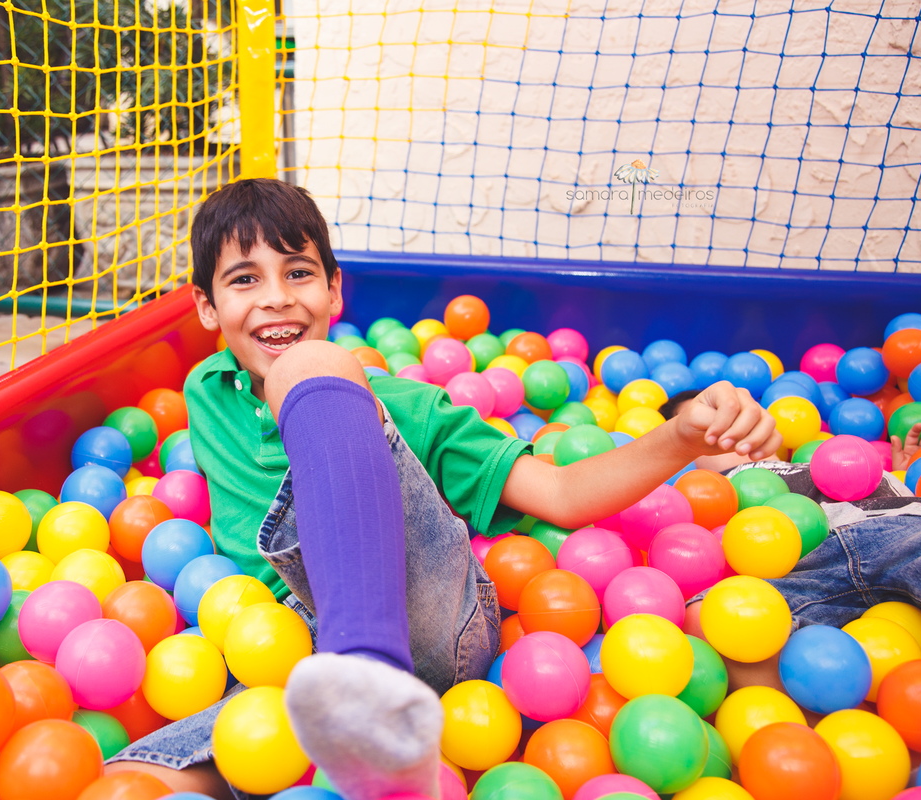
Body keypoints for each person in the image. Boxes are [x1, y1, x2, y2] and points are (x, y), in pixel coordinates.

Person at [105, 178, 781, 800]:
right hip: (273, 656)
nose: (278, 296)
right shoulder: (207, 389)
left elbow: (565, 494)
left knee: (313, 367)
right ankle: (355, 711)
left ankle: (365, 670)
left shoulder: (413, 406)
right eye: (245, 279)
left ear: (335, 292)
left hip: (421, 625)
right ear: (204, 306)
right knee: (126, 782)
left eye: (299, 272)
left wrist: (681, 440)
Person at [661, 389, 921, 724]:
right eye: (706, 426)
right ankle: (870, 730)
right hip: (812, 572)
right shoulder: (701, 492)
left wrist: (902, 472)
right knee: (708, 617)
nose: (732, 431)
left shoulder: (822, 459)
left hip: (899, 529)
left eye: (740, 417)